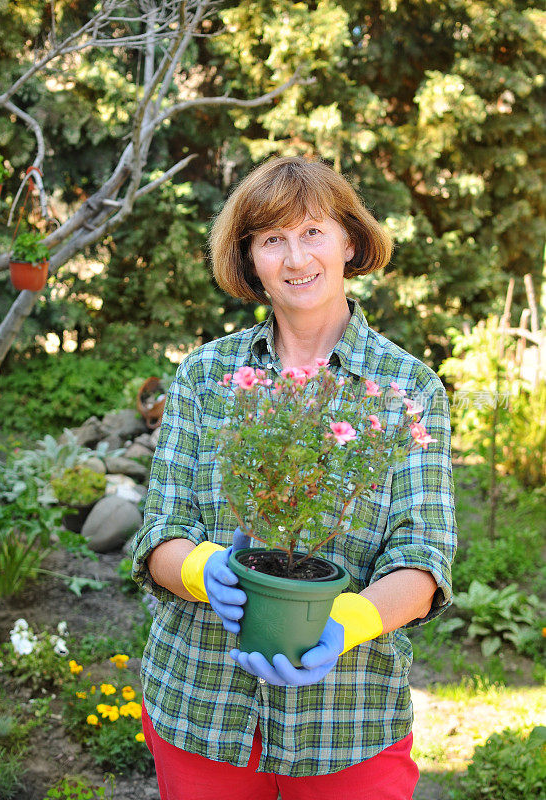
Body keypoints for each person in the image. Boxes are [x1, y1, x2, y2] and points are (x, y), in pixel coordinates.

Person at [131, 156, 457, 800]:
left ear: (350, 241)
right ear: (249, 260)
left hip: (348, 723)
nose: (295, 256)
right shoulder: (207, 375)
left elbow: (423, 559)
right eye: (272, 238)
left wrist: (350, 622)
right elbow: (160, 532)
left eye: (313, 231)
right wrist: (201, 571)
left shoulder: (406, 386)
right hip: (202, 704)